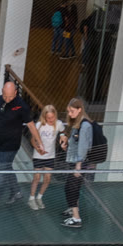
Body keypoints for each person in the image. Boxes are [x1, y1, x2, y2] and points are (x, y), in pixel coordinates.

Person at [0, 78, 32, 207]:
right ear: (2, 91)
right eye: (5, 96)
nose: (7, 99)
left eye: (10, 96)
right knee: (6, 168)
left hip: (10, 146)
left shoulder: (21, 105)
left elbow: (31, 125)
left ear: (16, 92)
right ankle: (16, 191)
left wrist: (39, 142)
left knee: (1, 173)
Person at [59, 97, 98, 229]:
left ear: (79, 110)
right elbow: (77, 143)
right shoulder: (79, 124)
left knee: (71, 188)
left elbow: (83, 147)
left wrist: (78, 166)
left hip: (79, 164)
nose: (70, 114)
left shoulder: (84, 126)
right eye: (69, 111)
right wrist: (67, 145)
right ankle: (73, 210)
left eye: (72, 111)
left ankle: (76, 217)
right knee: (73, 187)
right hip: (76, 161)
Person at [25, 103, 60, 210]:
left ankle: (39, 197)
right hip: (38, 156)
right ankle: (31, 198)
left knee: (47, 179)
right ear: (44, 116)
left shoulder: (58, 124)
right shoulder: (39, 125)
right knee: (37, 177)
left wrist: (63, 137)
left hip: (50, 156)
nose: (51, 119)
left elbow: (63, 132)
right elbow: (32, 140)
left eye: (52, 117)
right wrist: (38, 149)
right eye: (48, 117)